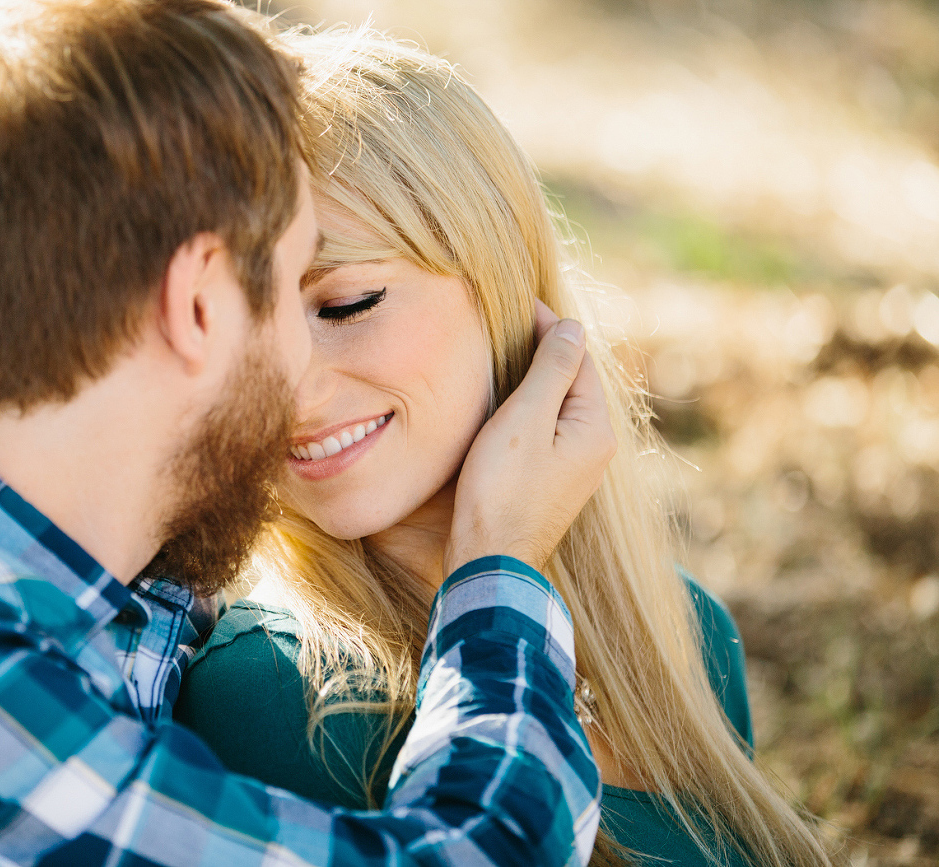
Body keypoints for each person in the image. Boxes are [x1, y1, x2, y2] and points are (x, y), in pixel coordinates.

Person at [0, 2, 617, 865]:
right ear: (196, 302)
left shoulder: (62, 578)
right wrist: (495, 566)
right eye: (287, 290)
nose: (301, 372)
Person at [174, 26, 835, 867]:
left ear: (501, 287)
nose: (290, 392)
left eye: (344, 304)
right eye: (239, 333)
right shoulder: (277, 694)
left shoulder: (685, 634)